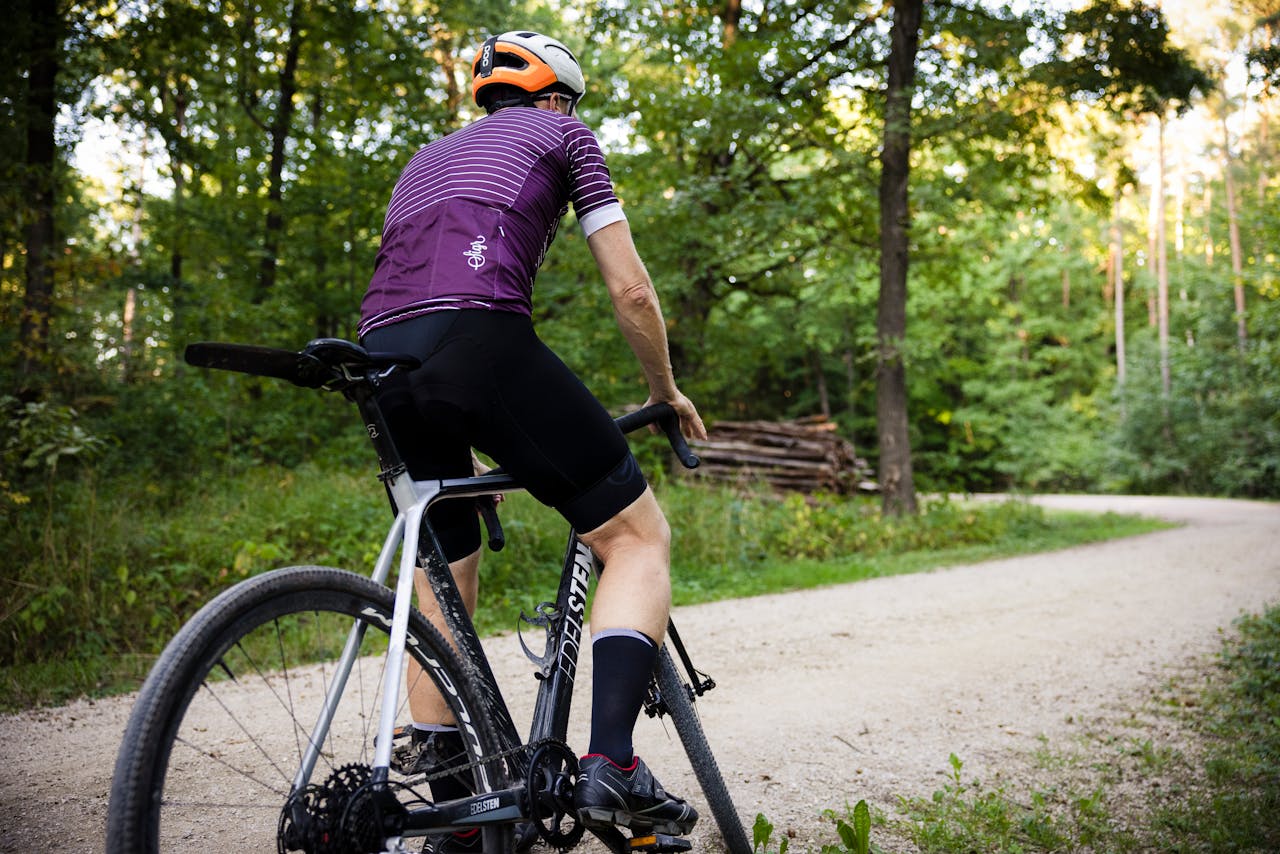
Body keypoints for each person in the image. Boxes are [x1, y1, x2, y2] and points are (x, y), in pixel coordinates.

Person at [358, 30, 707, 852]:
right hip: (480, 343)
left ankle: (451, 802)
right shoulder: (564, 134)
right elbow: (629, 287)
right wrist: (663, 389)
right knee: (634, 536)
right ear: (557, 97)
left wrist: (459, 414)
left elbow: (416, 294)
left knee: (443, 561)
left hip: (379, 360)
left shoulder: (423, 160)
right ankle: (611, 767)